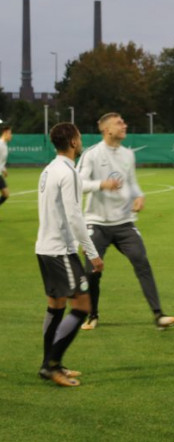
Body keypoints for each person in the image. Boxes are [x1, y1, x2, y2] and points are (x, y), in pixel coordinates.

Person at [76, 112, 174, 330]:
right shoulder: (92, 154)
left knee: (141, 262)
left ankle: (158, 315)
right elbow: (79, 183)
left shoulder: (127, 154)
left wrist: (139, 195)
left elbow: (132, 182)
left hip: (124, 222)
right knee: (92, 272)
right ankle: (92, 315)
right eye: (119, 123)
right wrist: (101, 184)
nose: (124, 125)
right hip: (97, 223)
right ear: (106, 130)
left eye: (124, 121)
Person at [36, 122, 104, 387]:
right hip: (60, 250)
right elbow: (75, 216)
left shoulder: (49, 169)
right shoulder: (69, 172)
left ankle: (50, 363)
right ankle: (51, 365)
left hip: (44, 247)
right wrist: (93, 253)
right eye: (79, 136)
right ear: (73, 142)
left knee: (56, 306)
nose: (81, 139)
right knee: (83, 305)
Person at [0, 125, 12, 209]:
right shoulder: (0, 144)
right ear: (5, 133)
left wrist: (4, 170)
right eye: (10, 133)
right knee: (6, 194)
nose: (11, 135)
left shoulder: (5, 145)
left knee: (6, 194)